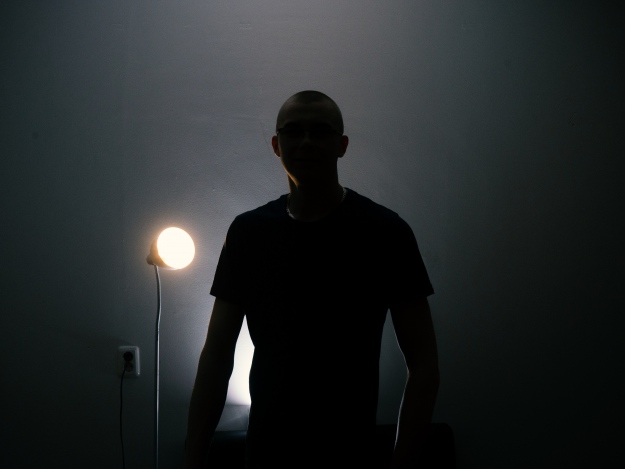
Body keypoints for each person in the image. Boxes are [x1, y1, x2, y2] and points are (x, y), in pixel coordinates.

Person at [184, 91, 439, 469]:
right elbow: (216, 356)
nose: (306, 141)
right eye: (293, 131)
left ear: (342, 145)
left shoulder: (385, 232)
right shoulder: (249, 233)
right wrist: (192, 459)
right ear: (276, 144)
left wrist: (403, 464)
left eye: (320, 131)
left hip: (350, 454)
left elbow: (424, 364)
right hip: (267, 456)